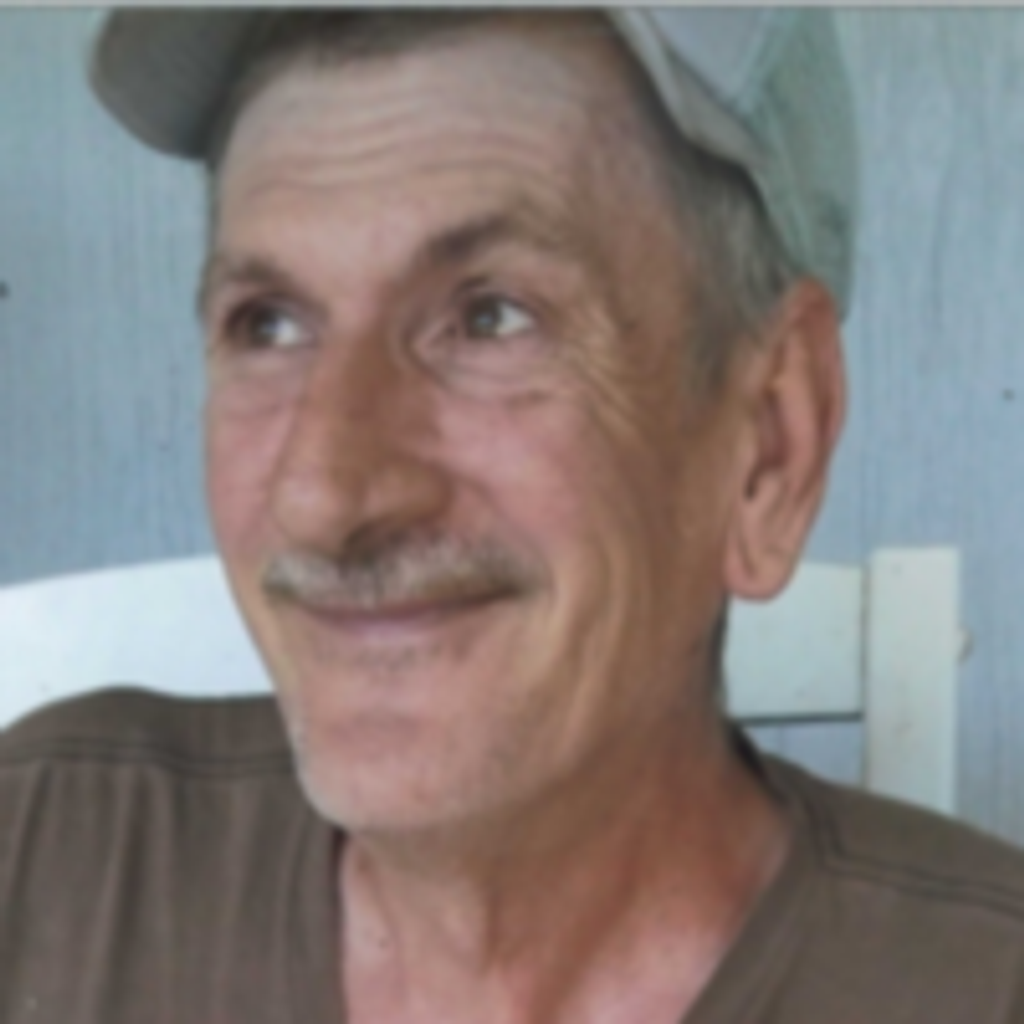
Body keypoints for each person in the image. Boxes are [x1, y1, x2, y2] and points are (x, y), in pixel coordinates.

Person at [2, 8, 1023, 1023]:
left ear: (767, 447)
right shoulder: (42, 859)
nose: (320, 497)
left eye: (491, 317)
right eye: (268, 325)